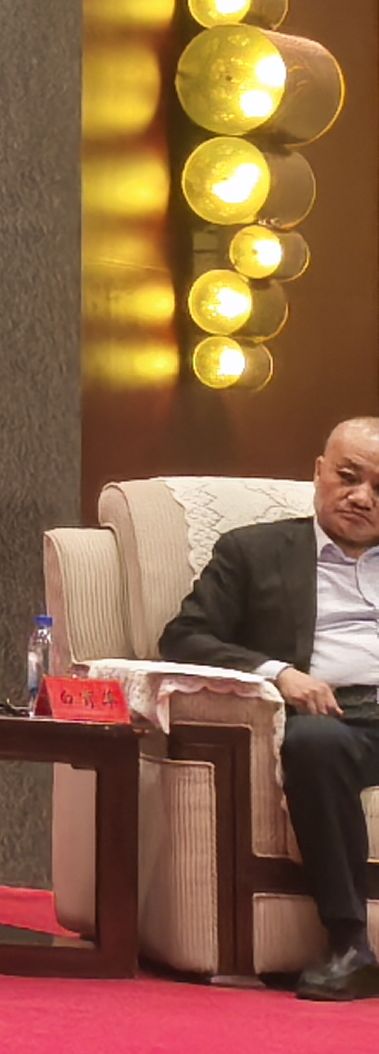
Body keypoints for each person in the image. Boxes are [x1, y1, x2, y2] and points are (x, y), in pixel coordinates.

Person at [159, 415, 379, 1003]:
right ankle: (349, 942)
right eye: (349, 477)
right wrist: (280, 674)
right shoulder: (254, 552)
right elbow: (185, 637)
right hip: (335, 719)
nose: (362, 498)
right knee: (312, 744)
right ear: (318, 473)